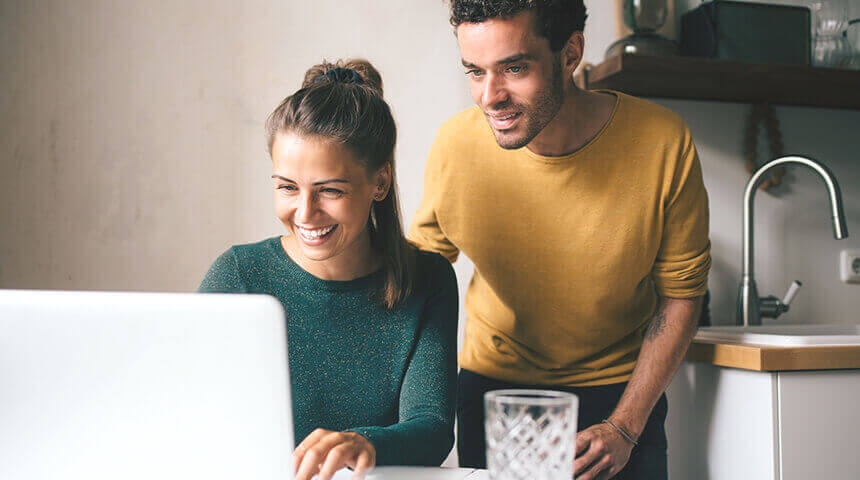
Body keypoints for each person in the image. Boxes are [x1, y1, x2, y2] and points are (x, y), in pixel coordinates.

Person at [408, 2, 710, 479]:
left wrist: (625, 427)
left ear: (571, 53)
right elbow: (417, 278)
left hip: (621, 397)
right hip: (494, 396)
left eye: (514, 68)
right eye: (475, 71)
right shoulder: (455, 145)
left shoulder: (662, 142)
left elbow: (681, 296)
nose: (490, 96)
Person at [200, 59, 458, 480]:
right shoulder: (237, 275)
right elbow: (194, 410)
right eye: (287, 187)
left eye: (330, 191)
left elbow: (430, 428)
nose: (305, 213)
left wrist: (363, 443)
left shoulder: (427, 278)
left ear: (380, 182)